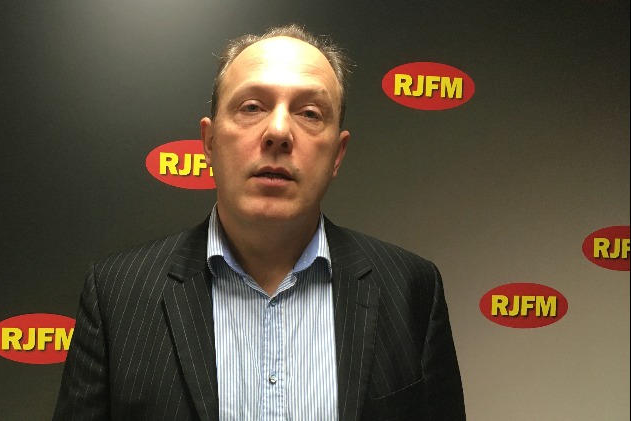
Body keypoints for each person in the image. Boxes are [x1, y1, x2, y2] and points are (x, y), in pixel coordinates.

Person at [54, 24, 465, 421]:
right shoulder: (116, 295)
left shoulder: (411, 290)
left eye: (309, 112)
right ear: (209, 142)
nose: (279, 131)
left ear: (337, 154)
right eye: (252, 107)